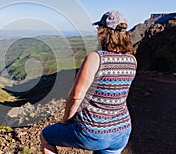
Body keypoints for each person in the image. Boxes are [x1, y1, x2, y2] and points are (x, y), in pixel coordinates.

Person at [40, 10, 137, 154]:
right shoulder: (132, 60)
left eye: (99, 29)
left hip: (93, 132)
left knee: (46, 136)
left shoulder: (96, 58)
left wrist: (66, 120)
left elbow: (76, 96)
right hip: (122, 132)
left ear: (104, 32)